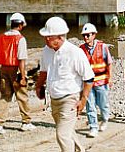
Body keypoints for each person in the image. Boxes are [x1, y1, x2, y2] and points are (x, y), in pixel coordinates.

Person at [35, 16, 94, 152]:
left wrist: (83, 100)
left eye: (49, 37)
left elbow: (89, 78)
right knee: (67, 131)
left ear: (60, 37)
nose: (46, 39)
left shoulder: (75, 53)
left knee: (62, 135)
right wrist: (39, 86)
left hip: (70, 100)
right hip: (54, 100)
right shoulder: (46, 50)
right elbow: (44, 71)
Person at [0, 13, 36, 134]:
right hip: (16, 69)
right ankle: (26, 122)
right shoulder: (20, 39)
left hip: (4, 69)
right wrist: (22, 76)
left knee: (5, 96)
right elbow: (21, 59)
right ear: (21, 25)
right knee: (22, 96)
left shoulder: (1, 37)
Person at [80, 23, 113, 138]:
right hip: (88, 83)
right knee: (90, 105)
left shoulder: (103, 47)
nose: (86, 38)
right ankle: (93, 127)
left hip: (101, 81)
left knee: (103, 104)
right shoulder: (81, 49)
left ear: (94, 35)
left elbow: (109, 63)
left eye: (88, 35)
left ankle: (105, 119)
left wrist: (110, 78)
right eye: (84, 35)